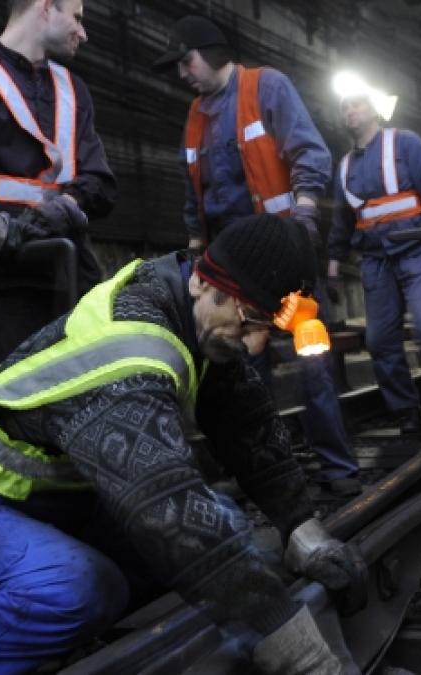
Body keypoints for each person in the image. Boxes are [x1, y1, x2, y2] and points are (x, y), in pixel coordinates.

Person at [0, 215, 364, 675]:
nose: (256, 345)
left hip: (55, 505)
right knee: (84, 590)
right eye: (249, 320)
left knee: (226, 529)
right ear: (201, 282)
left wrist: (302, 529)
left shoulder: (191, 306)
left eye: (268, 329)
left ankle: (38, 617)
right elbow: (172, 518)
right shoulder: (129, 354)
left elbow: (244, 420)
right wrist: (301, 654)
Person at [152, 15, 360, 496]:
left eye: (187, 61)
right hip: (226, 274)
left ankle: (338, 468)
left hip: (281, 258)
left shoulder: (267, 88)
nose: (183, 73)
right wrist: (194, 250)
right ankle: (262, 474)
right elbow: (193, 193)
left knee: (311, 358)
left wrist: (305, 214)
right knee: (240, 372)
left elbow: (310, 153)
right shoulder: (195, 116)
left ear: (213, 52)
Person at [0, 0, 117, 372]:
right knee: (20, 400)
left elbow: (100, 182)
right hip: (8, 278)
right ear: (46, 8)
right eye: (76, 18)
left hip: (72, 270)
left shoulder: (73, 90)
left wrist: (65, 207)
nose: (84, 32)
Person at [327, 90, 421, 434]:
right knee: (380, 341)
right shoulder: (343, 168)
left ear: (375, 112)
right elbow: (342, 223)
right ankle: (406, 409)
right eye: (345, 107)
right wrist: (333, 268)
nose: (350, 111)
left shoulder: (406, 144)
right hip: (376, 261)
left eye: (357, 104)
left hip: (417, 251)